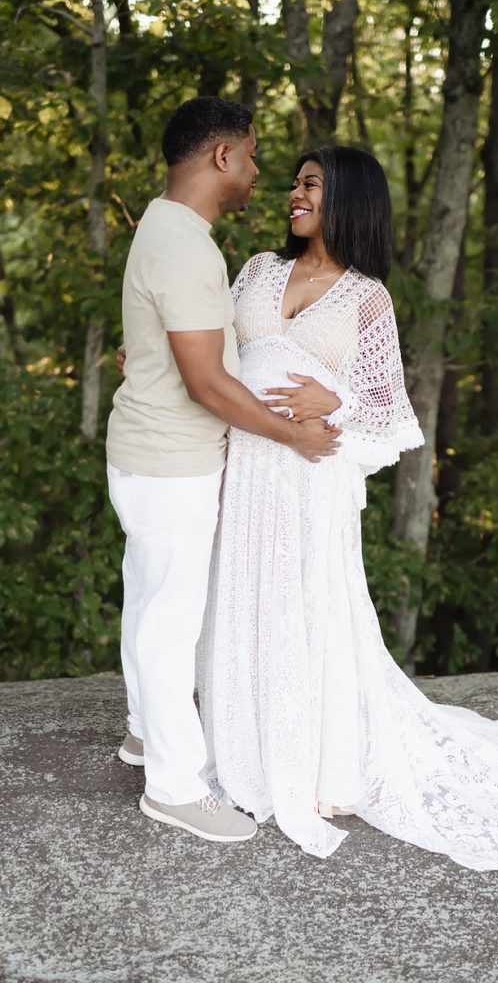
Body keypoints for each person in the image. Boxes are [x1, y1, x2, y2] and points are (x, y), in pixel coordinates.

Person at [198, 146, 498, 883]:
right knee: (241, 599)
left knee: (309, 609)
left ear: (349, 202)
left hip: (311, 480)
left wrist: (332, 401)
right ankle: (239, 742)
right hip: (247, 469)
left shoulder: (367, 297)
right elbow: (215, 360)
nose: (293, 194)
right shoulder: (258, 272)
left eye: (310, 185)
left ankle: (316, 765)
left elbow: (389, 413)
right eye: (296, 183)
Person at [106, 98, 340, 844]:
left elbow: (171, 352)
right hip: (170, 460)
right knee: (169, 622)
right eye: (252, 153)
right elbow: (207, 383)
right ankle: (174, 786)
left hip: (148, 451)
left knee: (148, 601)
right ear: (221, 157)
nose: (259, 170)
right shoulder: (183, 245)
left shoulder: (167, 228)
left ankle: (146, 731)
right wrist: (290, 434)